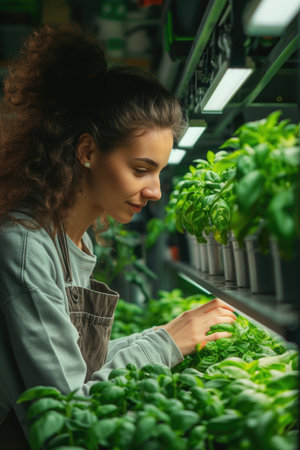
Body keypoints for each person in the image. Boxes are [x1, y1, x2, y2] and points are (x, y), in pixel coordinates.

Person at [0, 24, 236, 447]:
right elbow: (68, 413)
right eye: (141, 169)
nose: (155, 191)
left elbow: (73, 362)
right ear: (88, 152)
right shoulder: (23, 246)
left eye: (159, 172)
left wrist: (166, 333)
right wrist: (164, 343)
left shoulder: (75, 240)